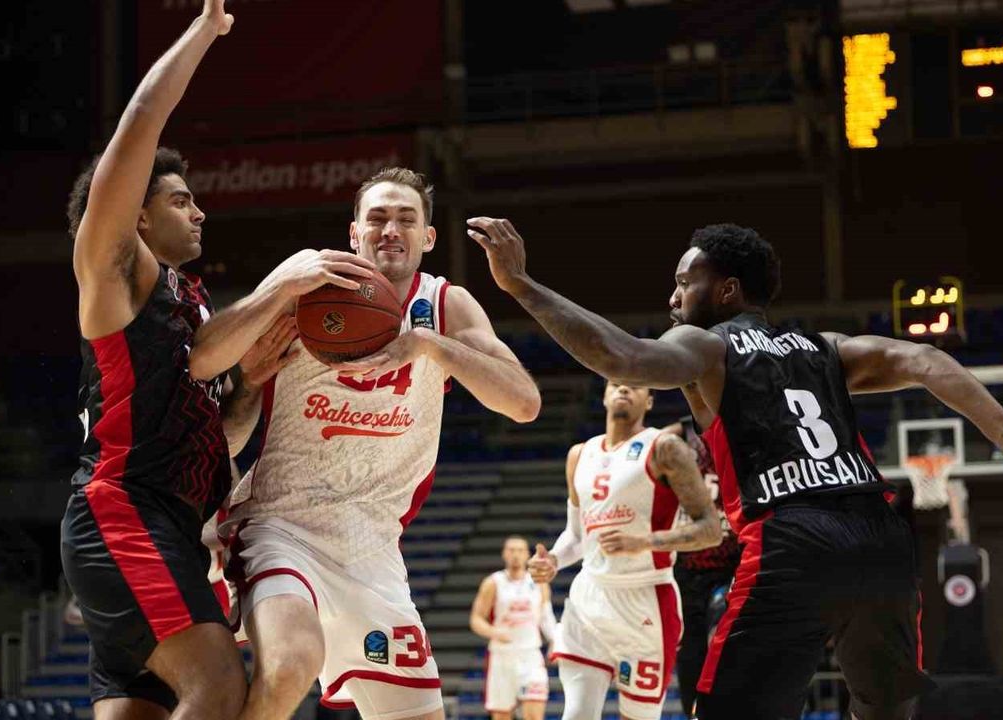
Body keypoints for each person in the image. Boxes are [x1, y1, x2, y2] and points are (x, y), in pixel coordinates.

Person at [470, 219, 1003, 719]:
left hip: (791, 539)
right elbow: (921, 356)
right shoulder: (825, 347)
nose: (673, 298)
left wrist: (521, 285)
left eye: (685, 283)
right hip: (880, 537)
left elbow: (622, 354)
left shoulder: (708, 347)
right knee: (884, 711)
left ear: (727, 291)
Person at [189, 167, 542, 720]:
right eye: (376, 218)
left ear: (427, 238)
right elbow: (204, 358)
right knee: (288, 666)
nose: (390, 230)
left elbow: (523, 403)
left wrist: (429, 346)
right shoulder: (308, 286)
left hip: (373, 549)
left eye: (406, 219)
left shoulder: (446, 307)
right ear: (353, 233)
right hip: (283, 526)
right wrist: (279, 290)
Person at [58, 2, 301, 718]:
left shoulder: (188, 301)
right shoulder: (113, 269)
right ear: (136, 212)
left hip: (168, 522)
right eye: (181, 200)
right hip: (123, 516)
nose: (199, 213)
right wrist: (204, 31)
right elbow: (139, 123)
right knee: (220, 687)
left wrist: (249, 389)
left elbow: (205, 437)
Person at [528, 382, 720, 720]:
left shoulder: (665, 447)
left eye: (635, 386)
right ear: (603, 396)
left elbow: (710, 530)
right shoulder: (579, 454)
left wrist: (645, 542)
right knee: (576, 714)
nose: (624, 389)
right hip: (589, 599)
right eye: (616, 384)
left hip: (645, 599)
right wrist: (554, 560)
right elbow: (576, 536)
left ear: (649, 400)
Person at [661, 416, 740, 717]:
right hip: (689, 558)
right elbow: (645, 452)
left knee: (734, 640)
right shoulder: (681, 433)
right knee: (690, 646)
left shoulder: (741, 425)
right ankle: (692, 713)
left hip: (735, 558)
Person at [469, 536, 556, 720]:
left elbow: (546, 616)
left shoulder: (539, 582)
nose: (515, 554)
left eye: (520, 550)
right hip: (502, 656)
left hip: (530, 654)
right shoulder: (493, 582)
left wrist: (555, 641)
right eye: (511, 550)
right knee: (501, 715)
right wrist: (494, 632)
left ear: (527, 555)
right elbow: (476, 619)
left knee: (534, 715)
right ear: (504, 554)